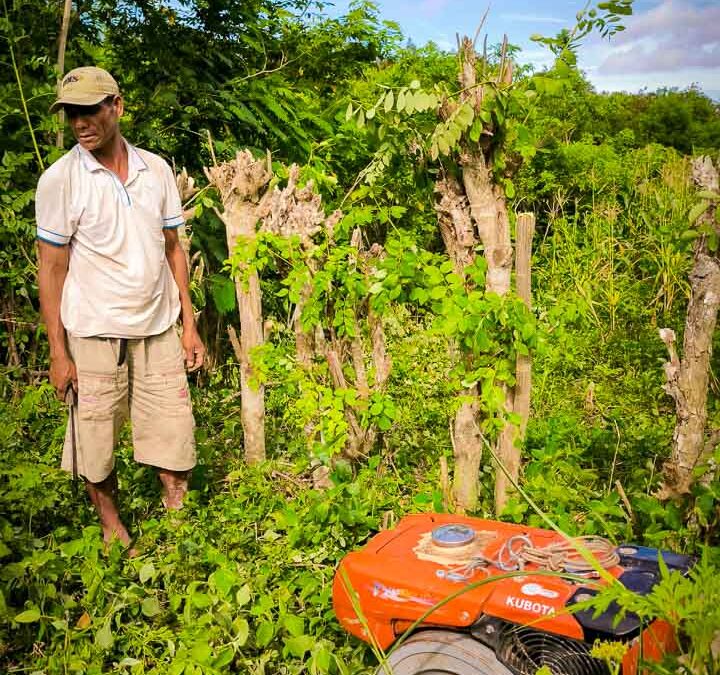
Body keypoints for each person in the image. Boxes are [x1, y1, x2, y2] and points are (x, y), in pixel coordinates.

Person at [36, 66, 205, 551]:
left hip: (157, 326)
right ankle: (114, 529)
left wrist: (188, 325)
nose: (81, 123)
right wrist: (57, 352)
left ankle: (179, 528)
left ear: (117, 106)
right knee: (96, 439)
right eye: (72, 114)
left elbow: (174, 248)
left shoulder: (156, 170)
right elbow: (51, 269)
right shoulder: (61, 180)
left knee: (173, 433)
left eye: (90, 110)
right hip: (92, 331)